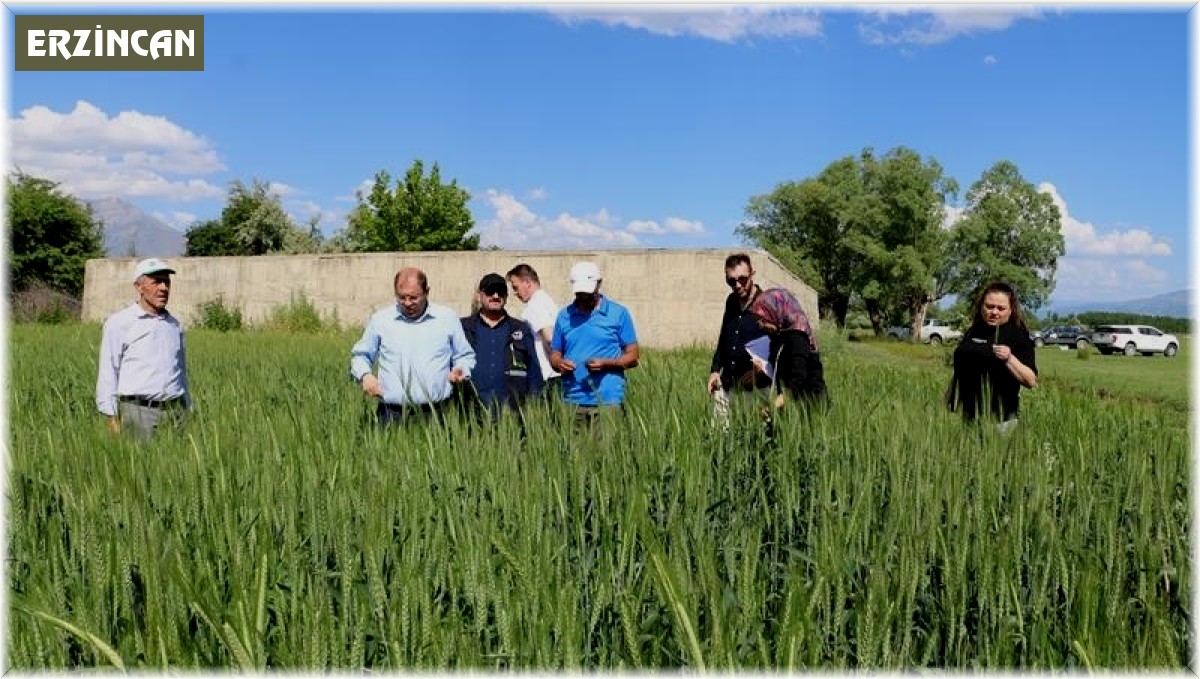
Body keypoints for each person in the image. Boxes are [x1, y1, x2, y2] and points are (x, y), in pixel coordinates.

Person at [349, 267, 476, 427]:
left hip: (435, 414)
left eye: (414, 297)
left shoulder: (447, 318)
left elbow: (464, 355)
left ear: (427, 292)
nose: (407, 303)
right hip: (391, 414)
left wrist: (461, 370)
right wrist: (365, 376)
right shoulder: (381, 320)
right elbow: (360, 355)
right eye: (401, 297)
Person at [95, 258, 192, 439]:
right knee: (141, 464)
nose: (164, 288)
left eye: (167, 282)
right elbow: (108, 372)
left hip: (176, 412)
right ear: (139, 287)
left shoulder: (174, 326)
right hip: (139, 413)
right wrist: (111, 417)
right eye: (156, 282)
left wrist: (187, 408)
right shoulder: (119, 323)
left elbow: (181, 371)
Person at [549, 261, 639, 429]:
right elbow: (555, 354)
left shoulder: (618, 313)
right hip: (572, 399)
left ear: (599, 284)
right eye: (580, 294)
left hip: (608, 400)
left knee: (606, 453)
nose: (584, 298)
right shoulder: (564, 316)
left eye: (588, 293)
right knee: (573, 454)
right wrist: (560, 363)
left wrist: (606, 363)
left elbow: (633, 356)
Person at [946, 281, 1038, 432]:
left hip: (1000, 423)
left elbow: (1031, 381)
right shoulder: (974, 330)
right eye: (989, 306)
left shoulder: (1018, 336)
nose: (994, 312)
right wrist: (947, 401)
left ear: (1011, 310)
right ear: (981, 306)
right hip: (966, 418)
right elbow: (959, 372)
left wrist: (1009, 359)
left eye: (1001, 308)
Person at [458, 273, 544, 421]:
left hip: (512, 417)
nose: (496, 296)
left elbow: (534, 373)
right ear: (480, 295)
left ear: (506, 296)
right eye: (490, 291)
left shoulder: (521, 329)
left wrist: (535, 409)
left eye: (501, 292)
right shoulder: (462, 327)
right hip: (470, 416)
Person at [706, 253, 771, 428]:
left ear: (752, 274)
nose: (737, 285)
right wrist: (714, 370)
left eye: (742, 279)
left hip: (756, 388)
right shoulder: (731, 301)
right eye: (731, 281)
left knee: (755, 440)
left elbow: (779, 344)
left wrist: (764, 369)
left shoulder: (767, 303)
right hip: (727, 384)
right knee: (719, 439)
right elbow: (724, 337)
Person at [749, 287, 829, 417]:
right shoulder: (777, 335)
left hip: (809, 405)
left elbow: (799, 377)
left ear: (776, 311)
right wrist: (762, 368)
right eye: (758, 321)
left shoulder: (798, 336)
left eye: (764, 319)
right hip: (788, 405)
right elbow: (778, 369)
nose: (761, 326)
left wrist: (774, 405)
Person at [506, 263, 561, 393]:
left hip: (548, 375)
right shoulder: (547, 300)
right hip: (556, 374)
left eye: (516, 287)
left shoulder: (535, 305)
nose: (515, 293)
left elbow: (549, 337)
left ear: (527, 282)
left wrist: (556, 365)